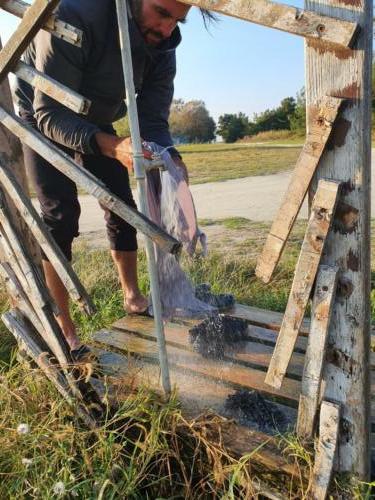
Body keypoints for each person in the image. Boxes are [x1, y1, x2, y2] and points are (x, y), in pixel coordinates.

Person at [14, 0, 194, 356]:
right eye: (162, 12)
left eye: (178, 20)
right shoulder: (74, 15)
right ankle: (64, 324)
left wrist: (172, 161)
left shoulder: (162, 44)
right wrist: (114, 147)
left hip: (96, 115)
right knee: (59, 215)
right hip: (42, 115)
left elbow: (153, 121)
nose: (168, 29)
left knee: (122, 205)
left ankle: (132, 295)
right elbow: (50, 114)